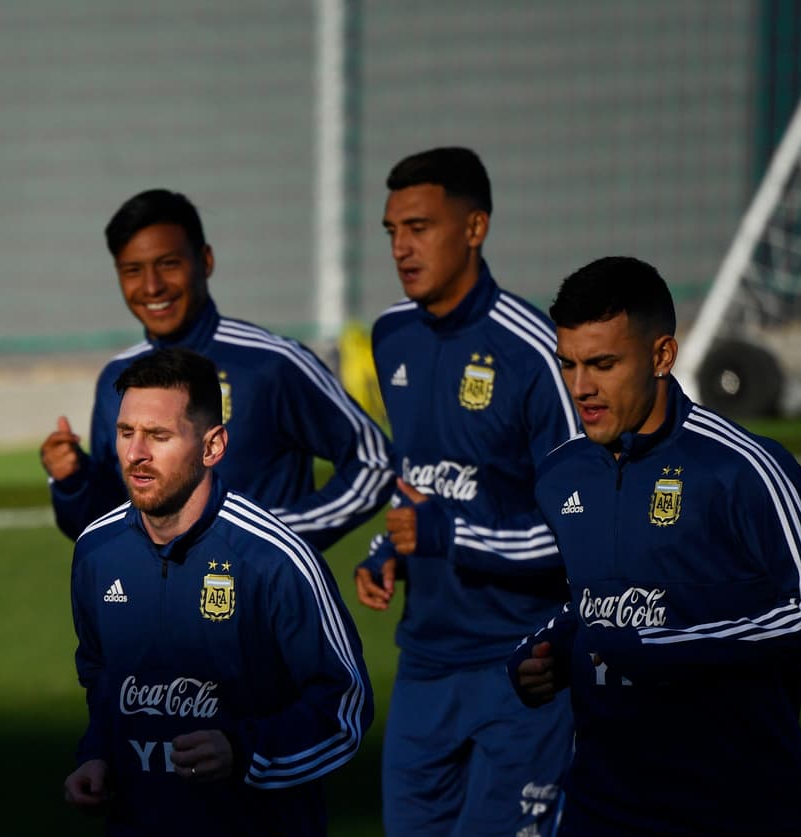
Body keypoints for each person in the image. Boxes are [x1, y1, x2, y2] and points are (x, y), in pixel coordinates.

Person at [509, 256, 801, 835]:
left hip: (739, 808)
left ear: (662, 356)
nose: (581, 388)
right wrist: (545, 650)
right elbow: (595, 603)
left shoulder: (742, 467)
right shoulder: (560, 474)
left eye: (602, 364)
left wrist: (672, 642)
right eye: (568, 364)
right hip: (603, 807)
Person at [353, 147, 581, 836]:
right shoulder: (392, 335)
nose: (401, 246)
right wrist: (383, 546)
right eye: (391, 230)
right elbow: (418, 476)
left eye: (419, 226)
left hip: (522, 666)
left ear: (475, 226)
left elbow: (583, 527)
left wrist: (448, 536)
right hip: (424, 665)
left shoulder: (537, 352)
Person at [63, 347, 373, 836]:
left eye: (159, 435)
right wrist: (97, 754)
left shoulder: (274, 558)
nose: (136, 454)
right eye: (126, 433)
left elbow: (345, 708)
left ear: (212, 447)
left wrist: (243, 750)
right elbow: (102, 676)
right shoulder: (97, 552)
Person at [41, 188, 393, 551]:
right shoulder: (118, 379)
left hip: (257, 604)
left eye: (169, 264)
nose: (152, 286)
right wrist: (73, 482)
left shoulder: (271, 363)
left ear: (205, 261)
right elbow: (106, 522)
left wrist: (277, 539)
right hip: (160, 605)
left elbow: (375, 463)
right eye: (133, 271)